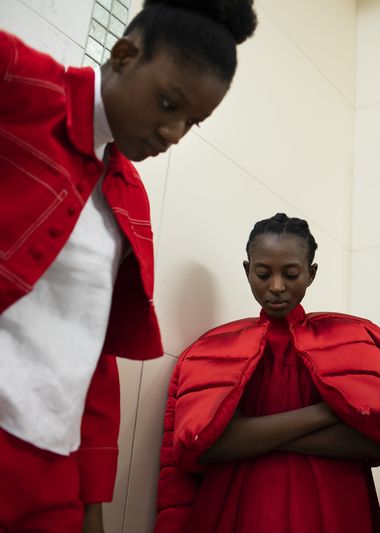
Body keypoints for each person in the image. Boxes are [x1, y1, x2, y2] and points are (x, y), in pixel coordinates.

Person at [0, 1, 257, 531]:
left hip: (50, 468)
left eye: (192, 122)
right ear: (123, 56)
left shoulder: (129, 198)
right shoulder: (25, 86)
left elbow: (91, 354)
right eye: (168, 103)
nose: (174, 134)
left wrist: (91, 503)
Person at [154, 213, 380, 533]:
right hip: (243, 510)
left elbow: (376, 442)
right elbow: (205, 445)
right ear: (247, 270)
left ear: (311, 273)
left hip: (335, 510)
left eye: (291, 274)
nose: (276, 287)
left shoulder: (356, 337)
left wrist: (252, 436)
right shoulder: (213, 349)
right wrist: (328, 412)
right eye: (263, 273)